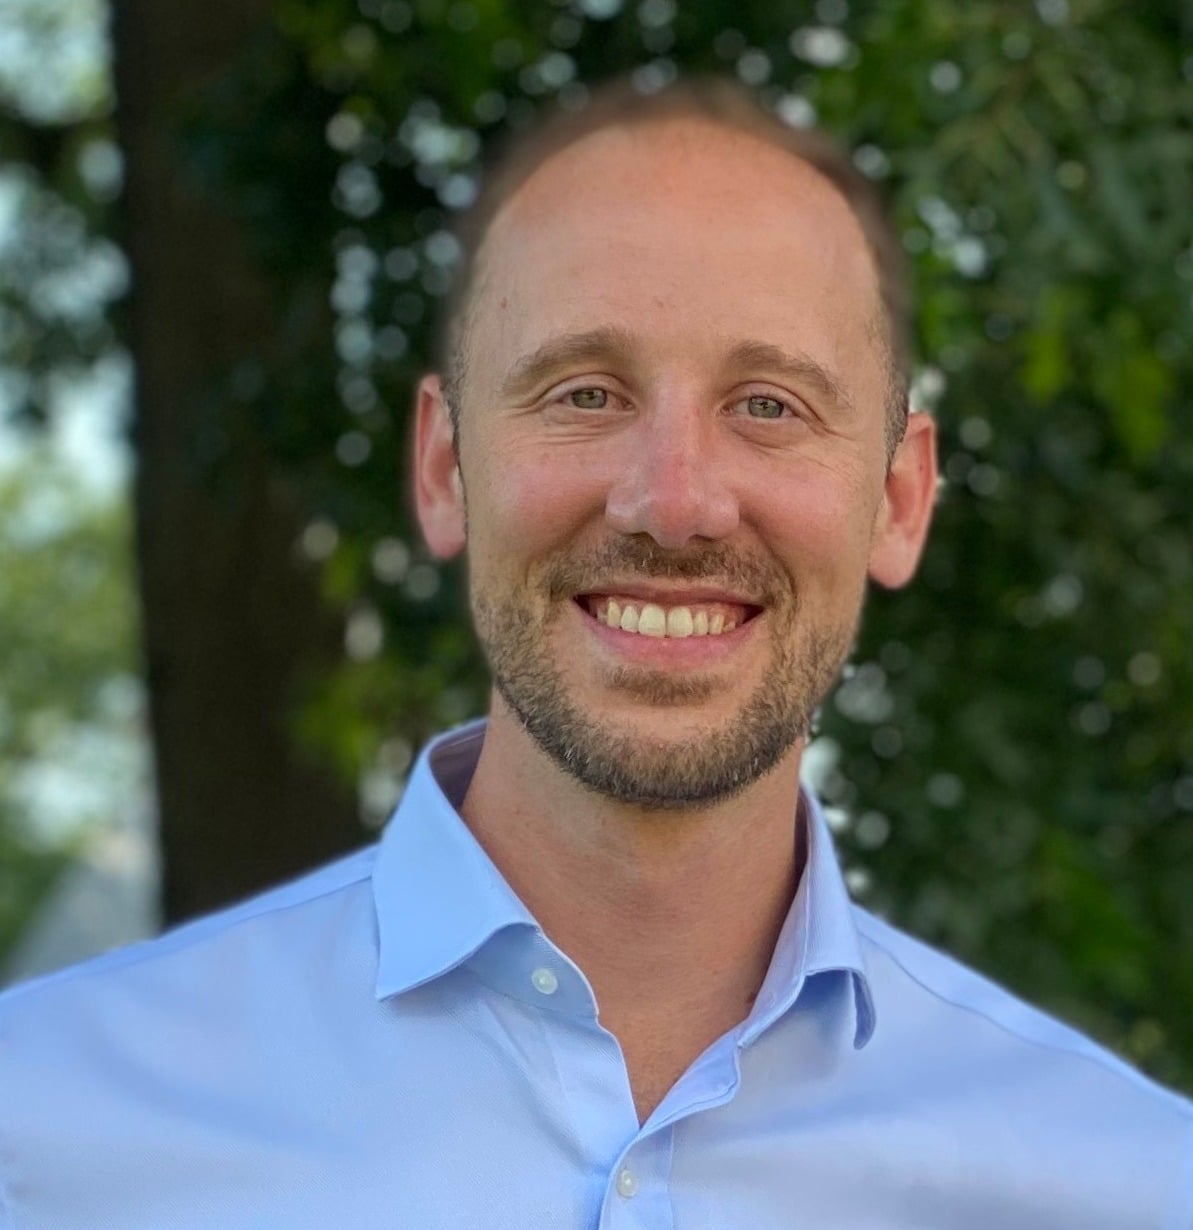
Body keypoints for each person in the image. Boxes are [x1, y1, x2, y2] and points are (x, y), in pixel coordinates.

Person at [1, 75, 1190, 1230]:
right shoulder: (41, 1129)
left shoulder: (1131, 1189)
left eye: (768, 405)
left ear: (897, 498)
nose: (672, 503)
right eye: (582, 393)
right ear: (441, 467)